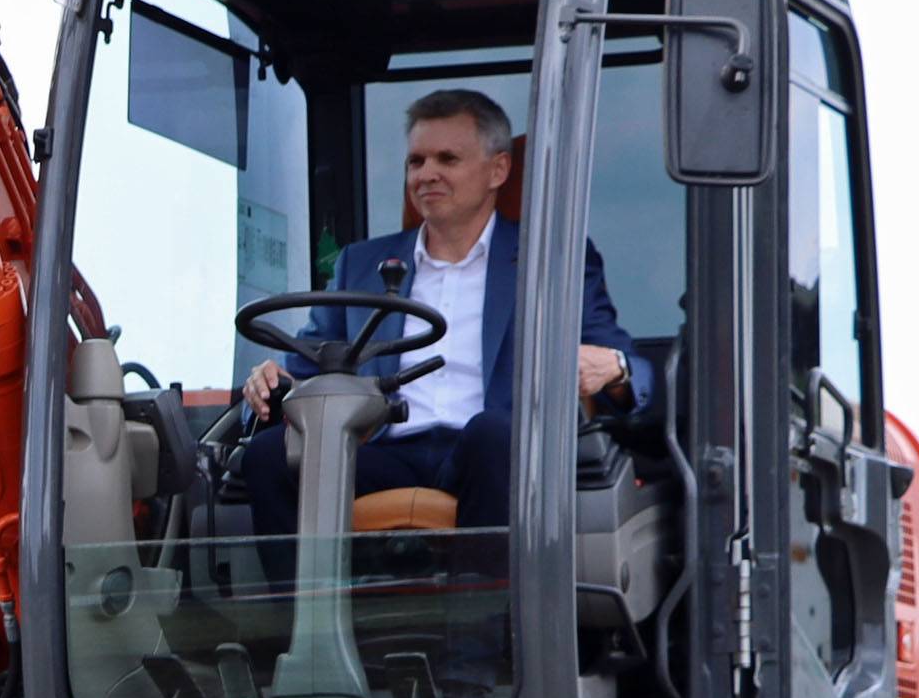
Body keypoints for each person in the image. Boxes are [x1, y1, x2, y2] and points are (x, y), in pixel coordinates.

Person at [234, 89, 650, 542]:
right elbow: (310, 368)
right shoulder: (360, 265)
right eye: (416, 162)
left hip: (493, 453)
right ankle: (303, 611)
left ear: (498, 170)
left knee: (493, 433)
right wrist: (273, 384)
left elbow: (627, 368)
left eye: (447, 159)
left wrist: (616, 367)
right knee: (268, 454)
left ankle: (490, 611)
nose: (427, 174)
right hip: (382, 449)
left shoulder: (552, 260)